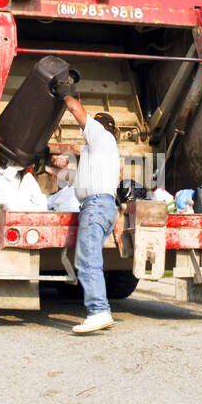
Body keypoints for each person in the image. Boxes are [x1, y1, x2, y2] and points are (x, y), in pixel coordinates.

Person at [51, 73, 120, 334]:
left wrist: (64, 92)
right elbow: (73, 178)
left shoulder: (100, 136)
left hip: (95, 206)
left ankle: (98, 311)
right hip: (101, 205)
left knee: (88, 260)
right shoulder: (103, 152)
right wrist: (46, 168)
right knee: (90, 258)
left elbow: (76, 109)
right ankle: (99, 309)